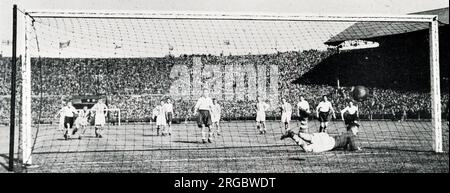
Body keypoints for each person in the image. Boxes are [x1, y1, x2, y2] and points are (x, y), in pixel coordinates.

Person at [281, 122, 362, 152]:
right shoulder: (351, 134)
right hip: (329, 144)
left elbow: (344, 144)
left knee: (307, 137)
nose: (357, 131)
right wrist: (357, 148)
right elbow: (353, 147)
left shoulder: (346, 133)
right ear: (353, 128)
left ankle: (302, 129)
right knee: (306, 148)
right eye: (357, 129)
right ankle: (292, 134)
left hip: (327, 137)